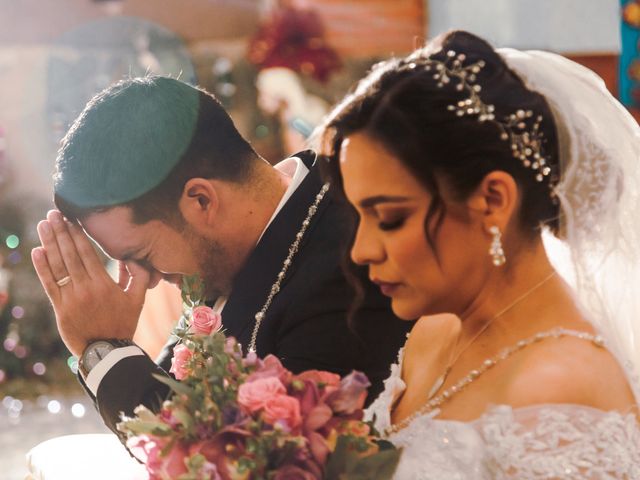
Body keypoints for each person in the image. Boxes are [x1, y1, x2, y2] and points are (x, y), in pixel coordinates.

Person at [319, 30, 640, 477]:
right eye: (359, 217)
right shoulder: (434, 330)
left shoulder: (561, 391)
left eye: (390, 219)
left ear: (492, 200)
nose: (362, 250)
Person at [31, 76, 411, 440]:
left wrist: (104, 349)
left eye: (141, 255)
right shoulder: (231, 253)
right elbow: (175, 397)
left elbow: (229, 460)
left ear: (201, 200)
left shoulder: (345, 276)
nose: (146, 279)